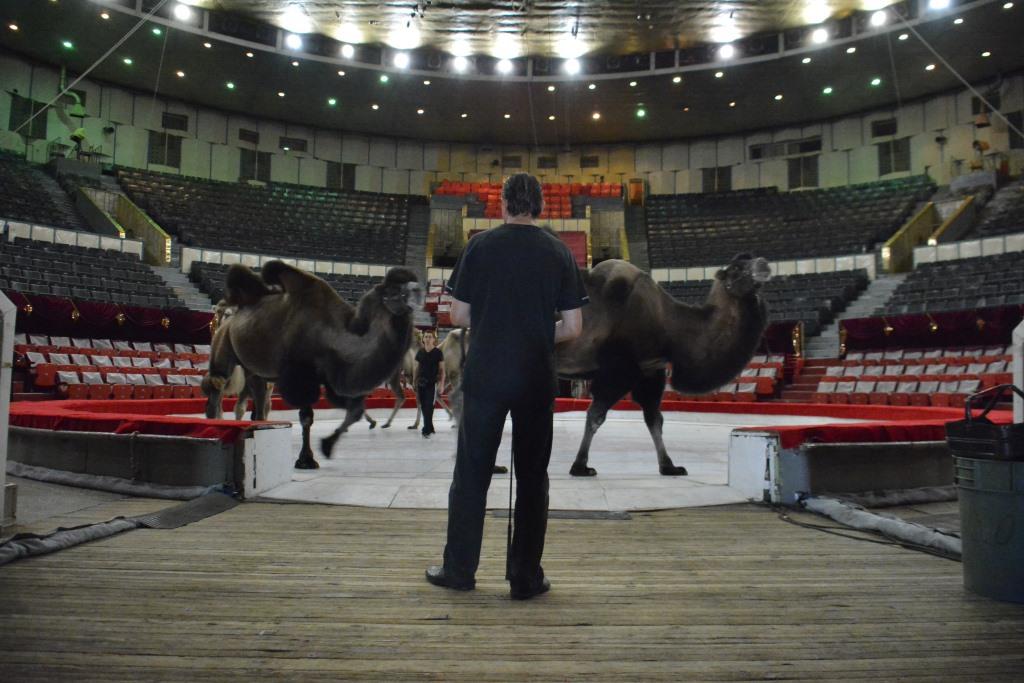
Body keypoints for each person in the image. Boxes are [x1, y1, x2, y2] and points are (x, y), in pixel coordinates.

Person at [425, 173, 586, 600]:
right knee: (533, 479)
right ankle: (525, 578)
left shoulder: (480, 245)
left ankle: (459, 570)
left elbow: (458, 317)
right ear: (541, 207)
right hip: (535, 377)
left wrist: (500, 325)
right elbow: (573, 327)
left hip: (487, 375)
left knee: (471, 475)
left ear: (502, 206)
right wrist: (531, 330)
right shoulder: (559, 252)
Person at [415, 329, 444, 437]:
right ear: (423, 339)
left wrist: (441, 384)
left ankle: (426, 430)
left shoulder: (438, 353)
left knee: (429, 406)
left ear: (434, 339)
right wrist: (414, 381)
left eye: (429, 337)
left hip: (432, 383)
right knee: (423, 406)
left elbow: (442, 370)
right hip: (421, 383)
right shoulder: (420, 352)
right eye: (426, 337)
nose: (427, 339)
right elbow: (417, 368)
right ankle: (430, 427)